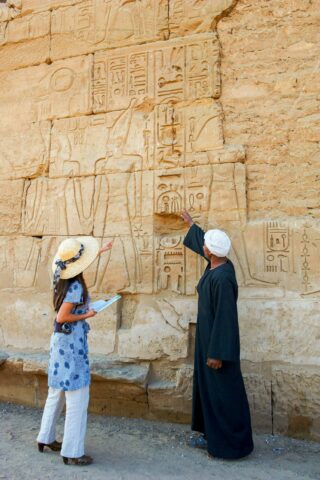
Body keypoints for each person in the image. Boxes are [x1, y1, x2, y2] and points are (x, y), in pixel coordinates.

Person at [181, 209, 254, 460]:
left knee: (224, 394)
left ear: (210, 252)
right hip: (207, 341)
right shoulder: (218, 265)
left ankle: (231, 445)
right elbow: (206, 244)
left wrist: (217, 353)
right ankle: (212, 436)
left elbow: (226, 319)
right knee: (209, 392)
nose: (202, 246)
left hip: (216, 346)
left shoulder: (222, 279)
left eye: (205, 245)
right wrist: (192, 225)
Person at [37, 236, 112, 466]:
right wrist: (87, 314)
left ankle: (45, 438)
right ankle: (72, 451)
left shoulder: (60, 278)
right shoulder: (76, 285)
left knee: (56, 391)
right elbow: (63, 316)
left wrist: (100, 252)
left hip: (60, 343)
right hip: (72, 345)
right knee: (77, 397)